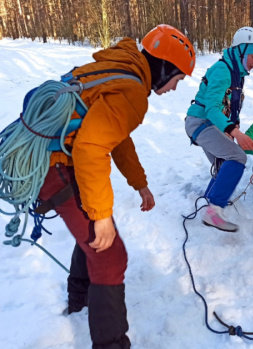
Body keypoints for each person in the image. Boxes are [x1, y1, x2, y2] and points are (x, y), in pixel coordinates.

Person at [35, 25, 196, 348]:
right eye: (178, 78)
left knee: (96, 237)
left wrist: (140, 183)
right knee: (110, 255)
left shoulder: (123, 67)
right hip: (56, 167)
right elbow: (90, 148)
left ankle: (79, 301)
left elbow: (114, 134)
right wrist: (101, 214)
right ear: (164, 68)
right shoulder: (132, 90)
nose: (176, 88)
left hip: (54, 158)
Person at [185, 26, 253, 232]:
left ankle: (210, 202)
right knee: (237, 158)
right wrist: (235, 133)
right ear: (241, 51)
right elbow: (211, 108)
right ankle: (213, 210)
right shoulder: (223, 70)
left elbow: (229, 106)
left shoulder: (236, 73)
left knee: (223, 164)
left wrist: (233, 129)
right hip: (201, 122)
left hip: (209, 124)